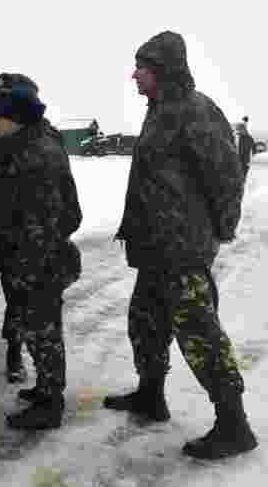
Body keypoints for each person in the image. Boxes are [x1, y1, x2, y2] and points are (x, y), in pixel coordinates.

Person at [105, 30, 257, 459]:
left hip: (182, 247)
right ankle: (151, 395)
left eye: (142, 68)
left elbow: (226, 177)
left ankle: (234, 424)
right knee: (145, 323)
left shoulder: (196, 110)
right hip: (156, 246)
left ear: (163, 70)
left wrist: (221, 229)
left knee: (199, 332)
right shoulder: (160, 110)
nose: (134, 75)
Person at [0, 77, 82, 429]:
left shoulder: (36, 158)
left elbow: (51, 218)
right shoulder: (31, 143)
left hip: (38, 262)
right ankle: (45, 390)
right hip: (33, 258)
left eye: (0, 117)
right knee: (39, 330)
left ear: (16, 119)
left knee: (43, 333)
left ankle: (50, 404)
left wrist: (30, 259)